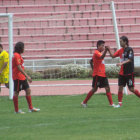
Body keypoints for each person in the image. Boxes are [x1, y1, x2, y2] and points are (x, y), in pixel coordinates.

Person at [107, 36, 140, 108]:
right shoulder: (120, 50)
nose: (120, 42)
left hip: (129, 72)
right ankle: (119, 104)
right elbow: (113, 56)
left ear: (125, 42)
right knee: (120, 87)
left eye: (121, 41)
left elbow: (130, 59)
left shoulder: (129, 49)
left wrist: (121, 63)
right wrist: (108, 50)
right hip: (122, 73)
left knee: (131, 89)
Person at [81, 40, 114, 107]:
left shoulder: (98, 53)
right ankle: (84, 102)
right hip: (98, 75)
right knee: (94, 89)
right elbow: (101, 57)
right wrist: (106, 50)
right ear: (98, 46)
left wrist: (93, 69)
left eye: (104, 46)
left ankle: (111, 104)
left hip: (102, 74)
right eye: (102, 45)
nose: (103, 47)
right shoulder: (96, 53)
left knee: (107, 88)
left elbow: (91, 61)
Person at [12, 42, 40, 114]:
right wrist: (27, 76)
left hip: (21, 76)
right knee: (16, 92)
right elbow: (19, 67)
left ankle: (30, 108)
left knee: (28, 90)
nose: (24, 49)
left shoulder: (18, 55)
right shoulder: (16, 55)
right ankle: (16, 110)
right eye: (23, 47)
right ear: (20, 48)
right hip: (17, 77)